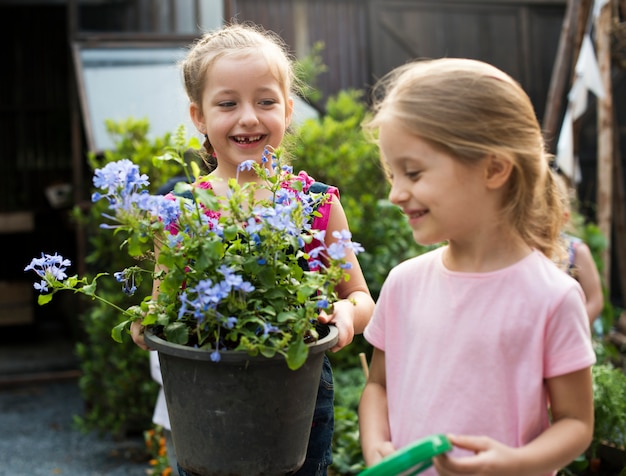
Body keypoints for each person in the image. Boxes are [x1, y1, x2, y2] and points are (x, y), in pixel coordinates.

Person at [130, 22, 375, 476]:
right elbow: (163, 304)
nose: (248, 117)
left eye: (266, 101)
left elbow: (362, 300)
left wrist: (347, 315)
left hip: (295, 404)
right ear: (198, 116)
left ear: (288, 111)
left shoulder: (315, 203)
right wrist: (146, 321)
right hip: (206, 402)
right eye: (228, 103)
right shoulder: (180, 211)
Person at [358, 58, 596, 476]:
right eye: (392, 174)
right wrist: (376, 442)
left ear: (494, 168)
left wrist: (515, 463)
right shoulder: (404, 284)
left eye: (412, 172)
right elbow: (378, 386)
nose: (396, 193)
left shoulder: (551, 296)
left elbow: (576, 423)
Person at [555, 173, 604, 327]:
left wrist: (575, 329)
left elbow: (595, 300)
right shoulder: (525, 250)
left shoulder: (576, 251)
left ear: (564, 217)